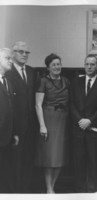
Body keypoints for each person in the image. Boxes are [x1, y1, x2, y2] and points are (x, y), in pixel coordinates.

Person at [70, 55, 97, 192]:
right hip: (78, 129)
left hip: (95, 131)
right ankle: (79, 192)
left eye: (92, 64)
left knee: (93, 162)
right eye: (87, 64)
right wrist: (80, 120)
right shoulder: (75, 82)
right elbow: (71, 104)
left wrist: (90, 120)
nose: (89, 67)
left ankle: (92, 192)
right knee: (78, 163)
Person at [35, 53, 70, 193]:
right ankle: (49, 189)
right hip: (49, 119)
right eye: (54, 65)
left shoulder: (67, 81)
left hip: (63, 120)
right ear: (48, 67)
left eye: (58, 64)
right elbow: (38, 105)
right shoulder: (43, 81)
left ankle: (53, 186)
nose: (57, 67)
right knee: (49, 157)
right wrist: (42, 125)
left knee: (60, 157)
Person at [6, 41, 37, 193]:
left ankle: (26, 192)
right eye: (20, 52)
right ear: (13, 54)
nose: (24, 55)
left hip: (31, 127)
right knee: (14, 163)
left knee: (28, 161)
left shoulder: (32, 72)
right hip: (15, 128)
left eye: (27, 52)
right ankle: (15, 193)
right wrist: (13, 130)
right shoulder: (7, 72)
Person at [0, 48, 19, 192]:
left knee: (6, 174)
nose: (11, 61)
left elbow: (11, 110)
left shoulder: (8, 82)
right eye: (7, 58)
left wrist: (14, 133)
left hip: (6, 138)